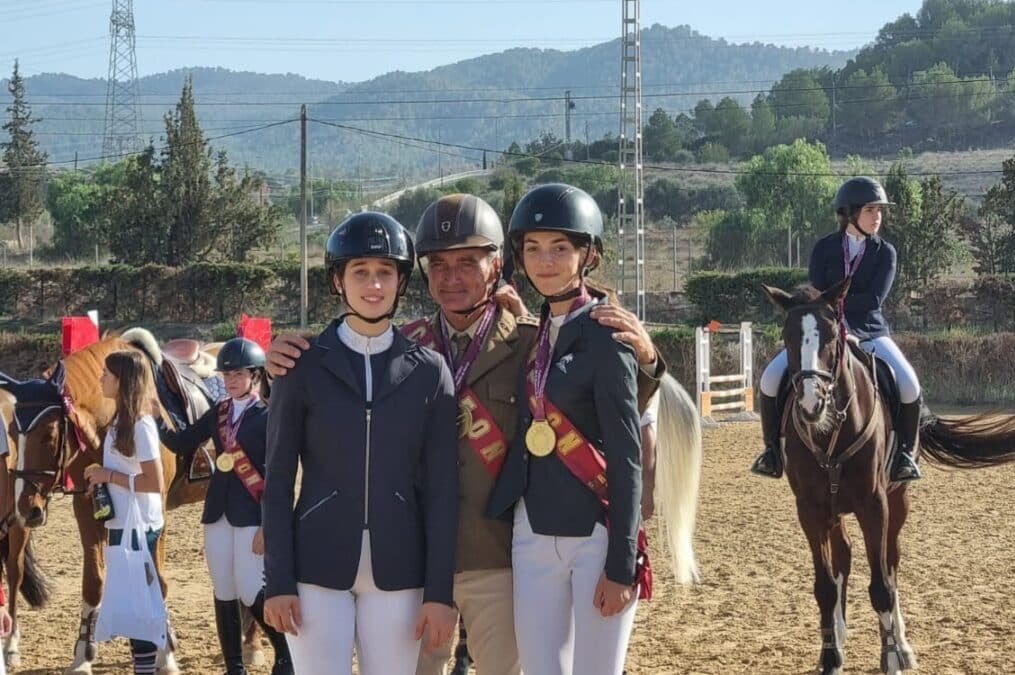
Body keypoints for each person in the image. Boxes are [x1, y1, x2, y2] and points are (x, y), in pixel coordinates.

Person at [265, 194, 664, 675]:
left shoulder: (530, 341)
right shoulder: (406, 346)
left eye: (467, 263)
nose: (451, 277)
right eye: (438, 264)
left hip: (495, 556)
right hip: (411, 560)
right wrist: (278, 360)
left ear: (496, 266)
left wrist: (648, 360)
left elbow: (604, 403)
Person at [261, 212, 459, 675]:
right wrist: (278, 580)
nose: (374, 285)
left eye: (385, 272)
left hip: (400, 569)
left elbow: (443, 490)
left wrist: (439, 592)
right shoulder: (300, 367)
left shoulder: (430, 371)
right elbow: (278, 481)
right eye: (360, 272)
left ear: (400, 281)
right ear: (338, 281)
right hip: (316, 567)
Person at [486, 183, 647, 675]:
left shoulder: (607, 335)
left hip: (594, 534)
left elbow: (627, 455)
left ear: (587, 254)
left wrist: (621, 564)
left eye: (560, 248)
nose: (545, 261)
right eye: (533, 248)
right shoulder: (536, 332)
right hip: (531, 531)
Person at [751, 176, 923, 483]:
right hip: (822, 334)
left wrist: (832, 304)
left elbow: (873, 299)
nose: (877, 217)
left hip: (869, 331)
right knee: (769, 379)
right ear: (850, 213)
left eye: (879, 211)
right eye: (870, 210)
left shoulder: (885, 252)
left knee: (909, 384)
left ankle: (905, 455)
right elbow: (815, 294)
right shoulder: (824, 249)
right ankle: (771, 453)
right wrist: (828, 314)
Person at [155, 337, 292, 675]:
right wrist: (157, 419)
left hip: (252, 513)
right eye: (227, 375)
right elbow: (182, 441)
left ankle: (286, 653)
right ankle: (234, 667)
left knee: (249, 587)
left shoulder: (269, 416)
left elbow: (277, 476)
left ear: (255, 375)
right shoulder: (218, 412)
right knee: (224, 589)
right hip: (217, 511)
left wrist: (268, 525)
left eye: (238, 374)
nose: (231, 380)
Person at [83, 350, 167, 675]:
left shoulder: (141, 426)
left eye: (106, 374)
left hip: (139, 526)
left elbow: (155, 482)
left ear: (121, 381)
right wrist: (100, 478)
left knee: (138, 604)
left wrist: (109, 476)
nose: (101, 378)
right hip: (123, 523)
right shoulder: (120, 422)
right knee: (134, 602)